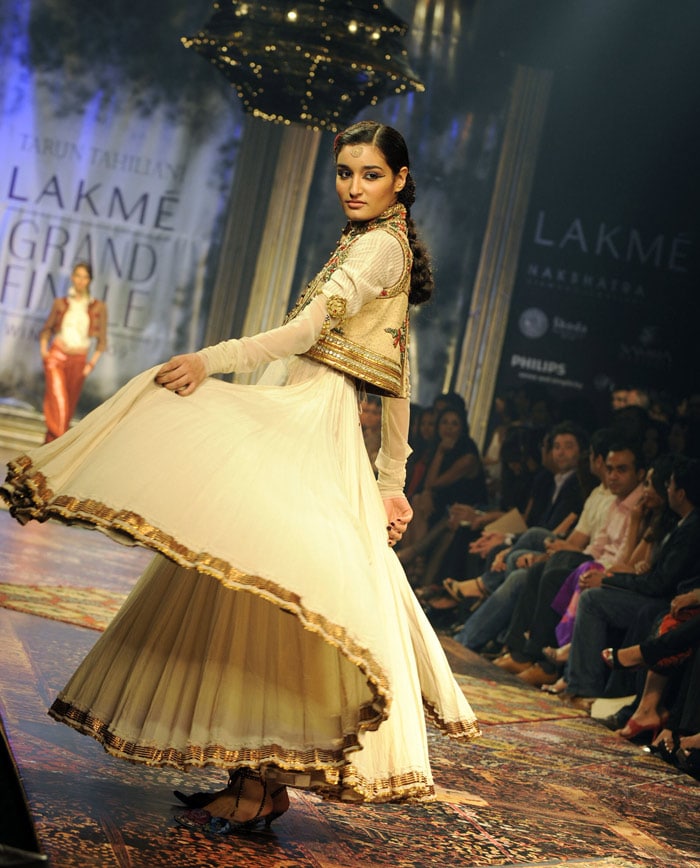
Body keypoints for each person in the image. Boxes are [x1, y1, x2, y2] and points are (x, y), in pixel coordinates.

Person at [1, 122, 479, 833]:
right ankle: (258, 783)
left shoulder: (380, 246)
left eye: (370, 174)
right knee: (259, 591)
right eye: (345, 173)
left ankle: (259, 786)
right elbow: (396, 370)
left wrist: (210, 358)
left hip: (312, 426)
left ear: (401, 180)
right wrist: (391, 476)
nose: (353, 186)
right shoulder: (377, 242)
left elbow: (310, 335)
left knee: (274, 587)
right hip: (310, 419)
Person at [39, 261, 107, 443]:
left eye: (85, 277)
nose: (80, 280)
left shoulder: (97, 307)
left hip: (79, 360)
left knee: (66, 409)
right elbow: (47, 329)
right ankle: (60, 449)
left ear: (90, 280)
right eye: (77, 275)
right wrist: (45, 351)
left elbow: (102, 341)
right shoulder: (61, 303)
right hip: (57, 356)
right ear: (72, 277)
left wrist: (90, 365)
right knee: (59, 404)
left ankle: (45, 454)